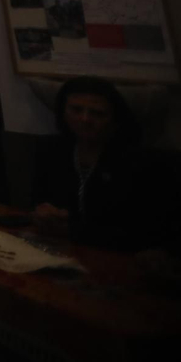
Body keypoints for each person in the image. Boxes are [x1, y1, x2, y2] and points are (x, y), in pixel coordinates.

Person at [31, 76, 153, 251]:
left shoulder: (135, 161)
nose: (85, 119)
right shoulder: (51, 150)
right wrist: (44, 214)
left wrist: (73, 228)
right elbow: (37, 200)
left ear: (114, 118)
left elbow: (139, 230)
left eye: (97, 113)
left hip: (112, 255)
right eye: (76, 109)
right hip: (55, 247)